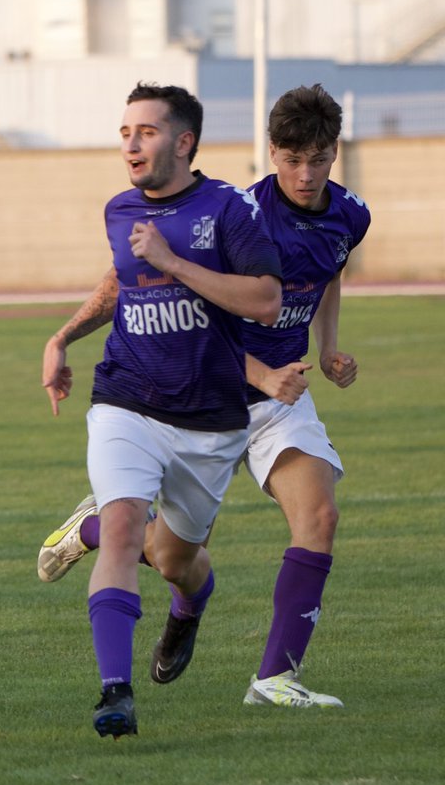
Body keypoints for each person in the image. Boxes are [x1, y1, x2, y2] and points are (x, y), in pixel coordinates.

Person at [39, 84, 370, 709]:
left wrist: (328, 348)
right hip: (209, 395)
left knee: (320, 516)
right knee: (171, 560)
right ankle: (97, 528)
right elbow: (159, 297)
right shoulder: (235, 211)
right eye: (292, 159)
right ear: (272, 152)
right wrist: (64, 336)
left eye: (319, 159)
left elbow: (329, 272)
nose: (305, 174)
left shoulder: (350, 214)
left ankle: (275, 679)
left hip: (279, 399)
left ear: (334, 153)